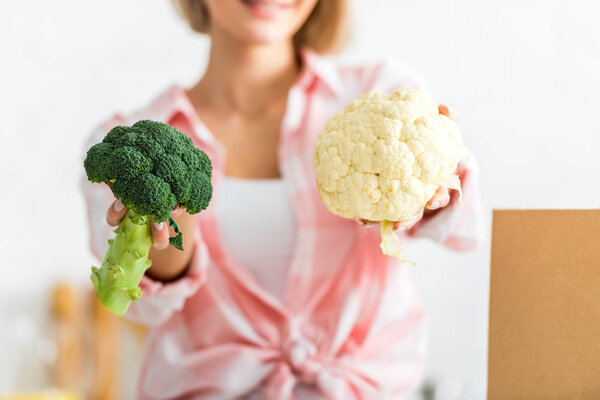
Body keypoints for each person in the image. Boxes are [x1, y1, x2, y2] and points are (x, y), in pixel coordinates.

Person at [82, 0, 481, 398]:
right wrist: (165, 223)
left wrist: (431, 181)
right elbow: (141, 306)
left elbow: (463, 231)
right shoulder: (127, 142)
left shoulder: (379, 90)